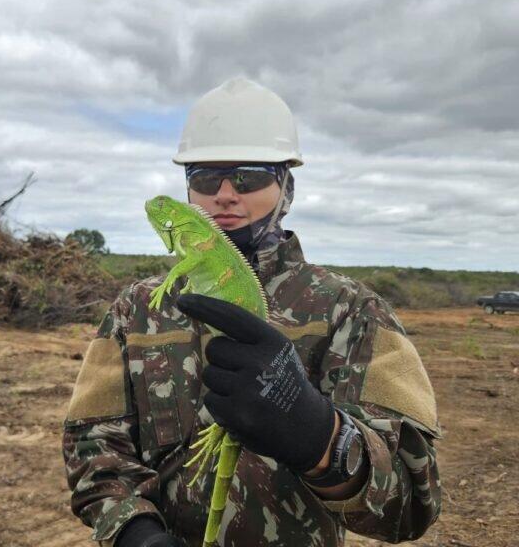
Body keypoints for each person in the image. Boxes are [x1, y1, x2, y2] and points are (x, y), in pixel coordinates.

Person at [62, 77, 441, 547]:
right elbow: (92, 446)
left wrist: (321, 437)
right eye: (203, 177)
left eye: (248, 176)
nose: (224, 193)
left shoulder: (353, 310)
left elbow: (410, 505)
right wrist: (136, 534)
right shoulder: (137, 308)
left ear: (286, 186)